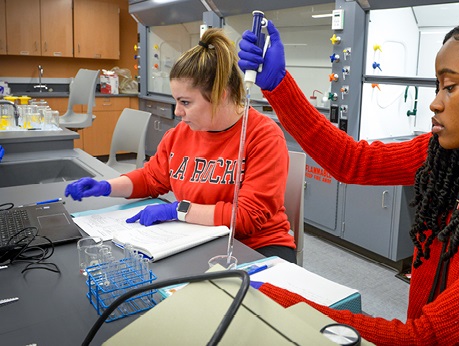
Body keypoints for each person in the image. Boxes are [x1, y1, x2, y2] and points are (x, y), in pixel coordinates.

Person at [238, 8, 459, 345]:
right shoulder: (456, 156)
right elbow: (352, 162)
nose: (435, 103)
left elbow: (428, 340)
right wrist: (279, 84)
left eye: (450, 87)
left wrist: (271, 299)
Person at [65, 28, 297, 263]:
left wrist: (177, 210)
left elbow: (246, 216)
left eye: (185, 102)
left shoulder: (263, 136)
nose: (178, 112)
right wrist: (105, 187)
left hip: (255, 246)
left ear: (221, 95)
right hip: (199, 236)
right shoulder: (180, 135)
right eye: (176, 101)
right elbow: (150, 178)